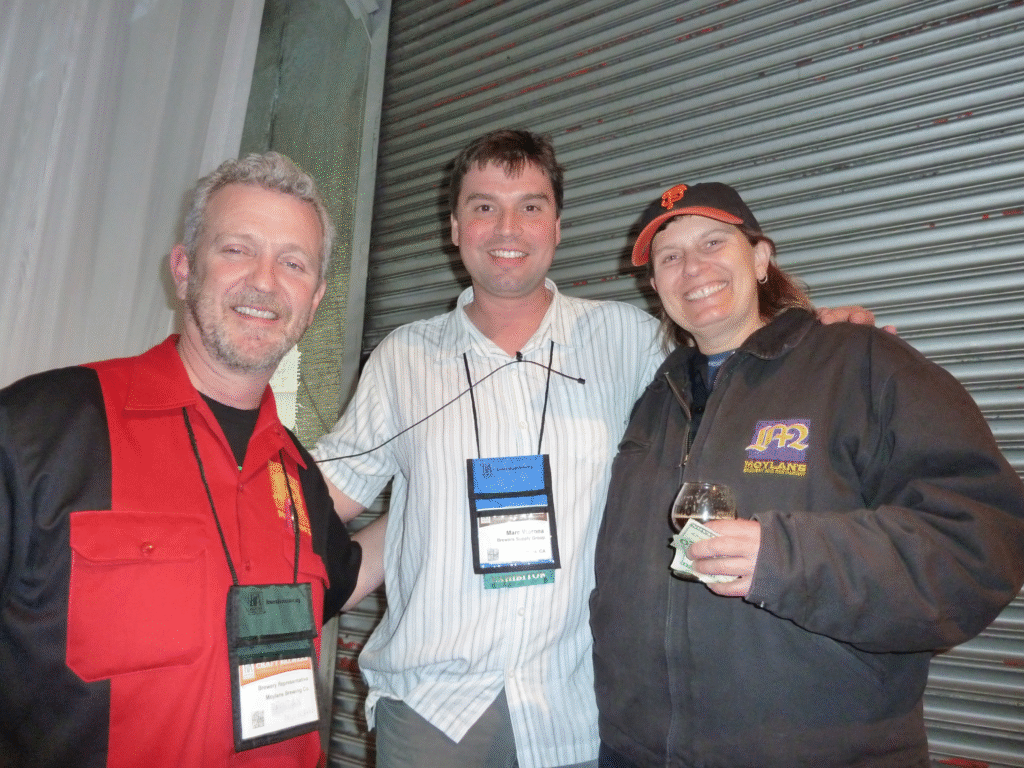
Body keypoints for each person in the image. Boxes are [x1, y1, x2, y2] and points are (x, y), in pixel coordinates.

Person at [315, 131, 879, 768]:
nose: (507, 227)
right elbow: (323, 501)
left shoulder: (630, 340)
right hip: (434, 710)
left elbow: (738, 365)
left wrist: (815, 341)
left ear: (557, 227)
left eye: (530, 206)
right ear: (454, 227)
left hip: (576, 708)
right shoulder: (403, 359)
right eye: (483, 206)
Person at [589, 181, 1024, 767]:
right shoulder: (656, 399)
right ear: (656, 285)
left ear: (760, 258)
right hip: (637, 752)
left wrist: (785, 557)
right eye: (670, 257)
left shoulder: (861, 364)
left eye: (713, 242)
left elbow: (979, 544)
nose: (692, 268)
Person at [0, 152, 365, 767]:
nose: (265, 282)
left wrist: (431, 491)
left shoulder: (297, 472)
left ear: (315, 299)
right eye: (237, 250)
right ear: (184, 268)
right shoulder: (40, 429)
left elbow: (344, 579)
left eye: (293, 263)